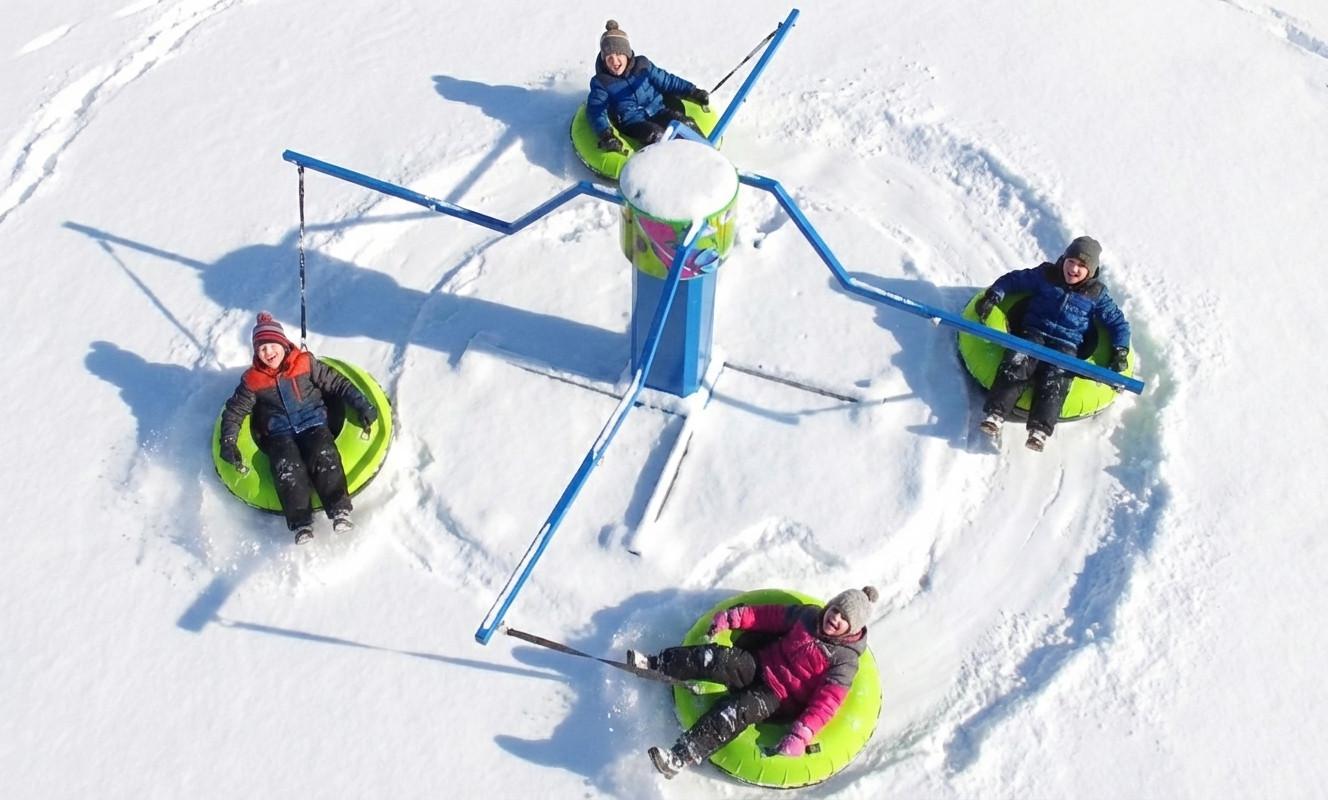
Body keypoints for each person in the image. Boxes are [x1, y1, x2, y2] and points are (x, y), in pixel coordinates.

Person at [629, 586, 878, 779]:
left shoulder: (845, 661)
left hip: (777, 698)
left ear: (851, 629)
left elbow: (827, 703)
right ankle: (656, 663)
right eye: (835, 609)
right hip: (759, 663)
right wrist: (734, 618)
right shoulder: (809, 616)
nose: (835, 617)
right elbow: (769, 616)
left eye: (844, 618)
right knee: (716, 658)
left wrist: (802, 732)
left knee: (732, 713)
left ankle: (678, 758)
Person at [218, 312, 377, 544]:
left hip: (313, 423)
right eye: (262, 348)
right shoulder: (253, 380)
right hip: (279, 434)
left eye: (272, 345)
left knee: (323, 454)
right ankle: (301, 523)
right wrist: (229, 441)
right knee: (286, 467)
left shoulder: (304, 363)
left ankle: (339, 510)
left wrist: (361, 404)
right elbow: (235, 411)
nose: (268, 352)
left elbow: (337, 383)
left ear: (283, 344)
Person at [973, 236, 1131, 451]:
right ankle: (996, 413)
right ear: (1064, 259)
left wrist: (1120, 350)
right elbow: (1014, 280)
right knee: (1018, 362)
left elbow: (1117, 323)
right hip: (1034, 333)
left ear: (1091, 271)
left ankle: (1039, 430)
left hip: (1066, 344)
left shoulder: (1097, 294)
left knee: (1056, 378)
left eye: (1081, 266)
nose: (1073, 269)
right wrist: (994, 295)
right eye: (1071, 261)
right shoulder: (1046, 275)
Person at [587, 19, 711, 154]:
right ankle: (674, 161)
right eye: (609, 57)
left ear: (627, 54)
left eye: (619, 54)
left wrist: (693, 91)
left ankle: (708, 153)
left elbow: (668, 81)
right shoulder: (602, 82)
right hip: (633, 123)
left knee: (684, 123)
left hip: (659, 111)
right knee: (657, 135)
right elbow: (596, 111)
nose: (614, 61)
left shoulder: (642, 65)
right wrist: (606, 134)